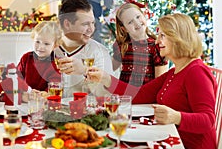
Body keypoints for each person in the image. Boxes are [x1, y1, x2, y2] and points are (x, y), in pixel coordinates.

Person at [87, 13, 217, 149]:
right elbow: (139, 95)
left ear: (178, 37)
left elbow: (208, 120)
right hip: (171, 138)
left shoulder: (196, 72)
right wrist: (105, 78)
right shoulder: (174, 72)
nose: (156, 41)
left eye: (162, 36)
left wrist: (176, 117)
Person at [55, 0, 113, 97]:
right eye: (85, 24)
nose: (91, 29)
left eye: (93, 23)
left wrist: (85, 71)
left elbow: (106, 95)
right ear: (67, 24)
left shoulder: (100, 52)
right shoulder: (47, 50)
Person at [112, 3, 168, 86]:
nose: (137, 23)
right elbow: (110, 68)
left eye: (138, 17)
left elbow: (159, 83)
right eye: (130, 22)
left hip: (147, 97)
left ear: (144, 15)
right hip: (124, 96)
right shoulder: (122, 46)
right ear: (124, 29)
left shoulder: (156, 47)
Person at [17, 21, 62, 91]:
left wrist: (43, 94)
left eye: (46, 44)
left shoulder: (56, 64)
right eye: (37, 42)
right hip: (25, 97)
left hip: (44, 99)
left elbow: (55, 86)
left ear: (55, 45)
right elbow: (17, 78)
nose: (40, 47)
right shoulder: (26, 58)